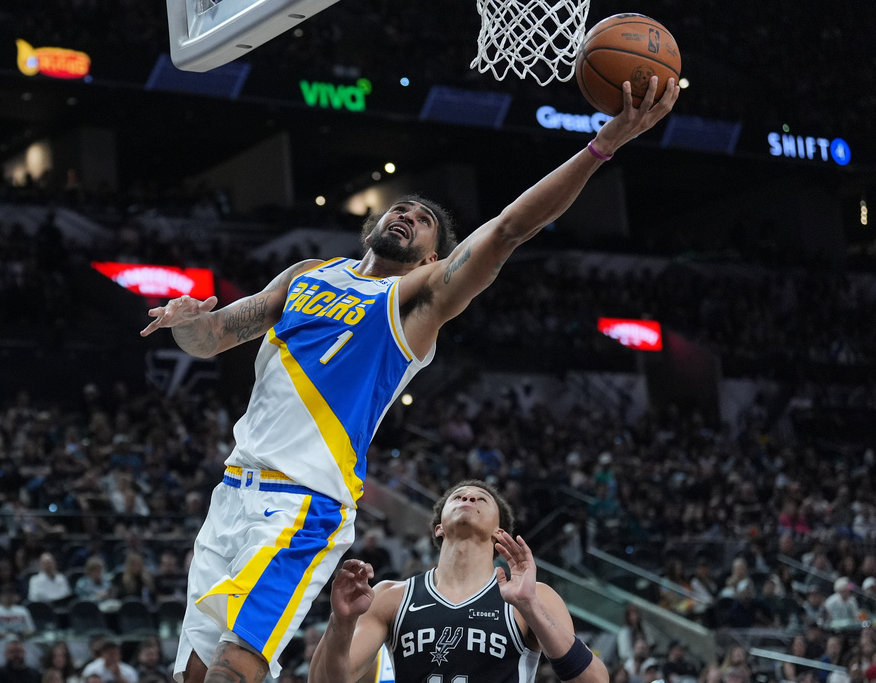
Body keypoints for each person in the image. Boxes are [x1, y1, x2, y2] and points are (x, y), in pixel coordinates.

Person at [140, 76, 678, 683]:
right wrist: (184, 324)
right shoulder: (306, 275)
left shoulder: (414, 301)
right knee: (190, 669)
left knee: (237, 663)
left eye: (425, 221)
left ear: (432, 259)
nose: (409, 214)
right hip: (232, 491)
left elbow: (506, 231)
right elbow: (214, 338)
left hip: (302, 500)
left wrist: (601, 146)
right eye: (403, 207)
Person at [309, 480, 610, 683]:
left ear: (498, 532)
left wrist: (530, 607)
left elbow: (595, 680)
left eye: (481, 499)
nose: (468, 497)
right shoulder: (391, 596)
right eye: (459, 496)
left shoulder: (533, 596)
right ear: (439, 528)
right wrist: (342, 623)